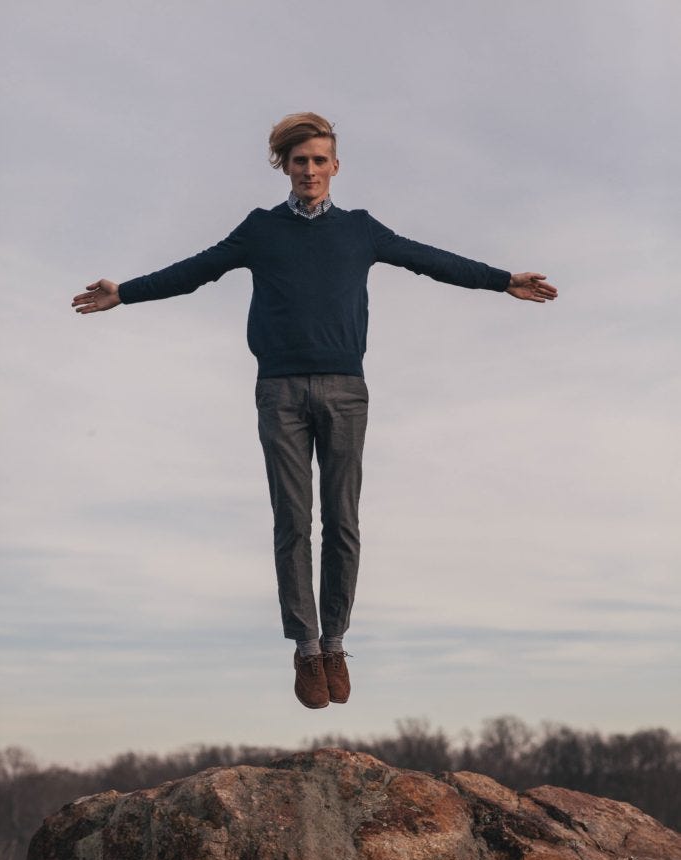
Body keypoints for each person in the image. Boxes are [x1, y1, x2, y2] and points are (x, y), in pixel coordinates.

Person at [72, 112, 557, 712]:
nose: (309, 171)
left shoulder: (360, 230)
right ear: (285, 166)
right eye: (298, 161)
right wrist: (126, 292)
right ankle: (305, 649)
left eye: (319, 160)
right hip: (279, 391)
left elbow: (426, 257)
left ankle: (335, 643)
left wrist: (500, 279)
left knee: (343, 521)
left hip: (345, 390)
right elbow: (195, 270)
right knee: (292, 522)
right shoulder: (260, 230)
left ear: (335, 166)